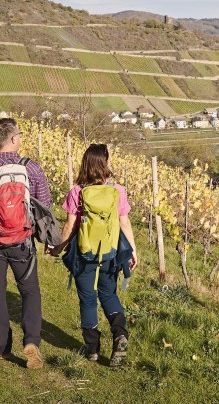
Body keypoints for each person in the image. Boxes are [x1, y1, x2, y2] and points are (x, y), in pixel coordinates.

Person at [54, 144, 137, 366]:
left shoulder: (76, 192)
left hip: (84, 253)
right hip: (109, 252)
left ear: (85, 163)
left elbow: (70, 225)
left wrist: (58, 248)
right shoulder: (117, 190)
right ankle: (120, 334)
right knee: (109, 294)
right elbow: (124, 222)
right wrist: (132, 250)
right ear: (106, 162)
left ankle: (92, 348)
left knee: (88, 298)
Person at [0, 117, 52, 369]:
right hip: (22, 240)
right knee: (29, 290)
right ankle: (31, 341)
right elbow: (44, 204)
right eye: (19, 134)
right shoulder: (30, 168)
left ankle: (2, 345)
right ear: (12, 139)